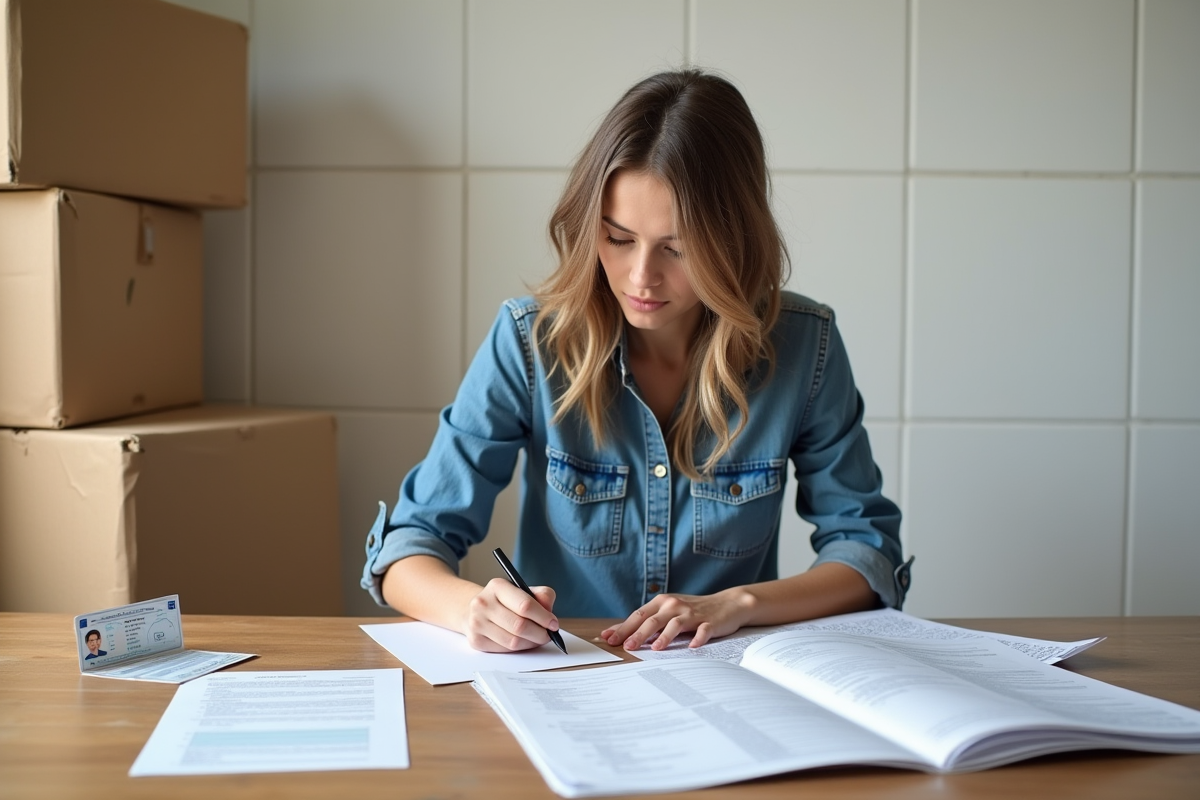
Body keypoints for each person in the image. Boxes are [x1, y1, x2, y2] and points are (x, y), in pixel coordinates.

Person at [361, 68, 911, 654]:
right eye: (618, 238)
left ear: (735, 240)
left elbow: (868, 552)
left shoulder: (806, 346)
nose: (641, 276)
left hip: (728, 687)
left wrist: (737, 605)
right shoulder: (529, 341)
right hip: (564, 680)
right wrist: (474, 609)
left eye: (677, 248)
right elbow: (408, 546)